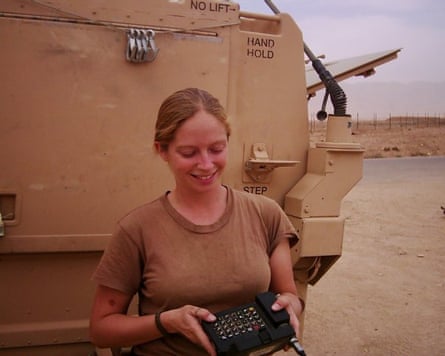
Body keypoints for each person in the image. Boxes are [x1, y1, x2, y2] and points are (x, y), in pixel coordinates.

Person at [89, 88, 304, 355]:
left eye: (216, 149)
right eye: (189, 153)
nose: (205, 164)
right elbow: (102, 329)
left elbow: (290, 295)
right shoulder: (136, 229)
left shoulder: (266, 214)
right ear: (162, 150)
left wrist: (289, 308)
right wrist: (166, 322)